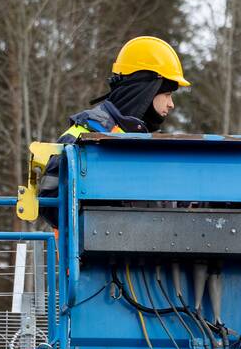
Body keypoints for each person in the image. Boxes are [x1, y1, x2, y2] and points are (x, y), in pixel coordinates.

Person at [38, 36, 190, 224]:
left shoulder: (149, 144)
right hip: (88, 253)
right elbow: (50, 204)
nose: (171, 104)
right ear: (147, 89)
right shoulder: (81, 135)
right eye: (167, 94)